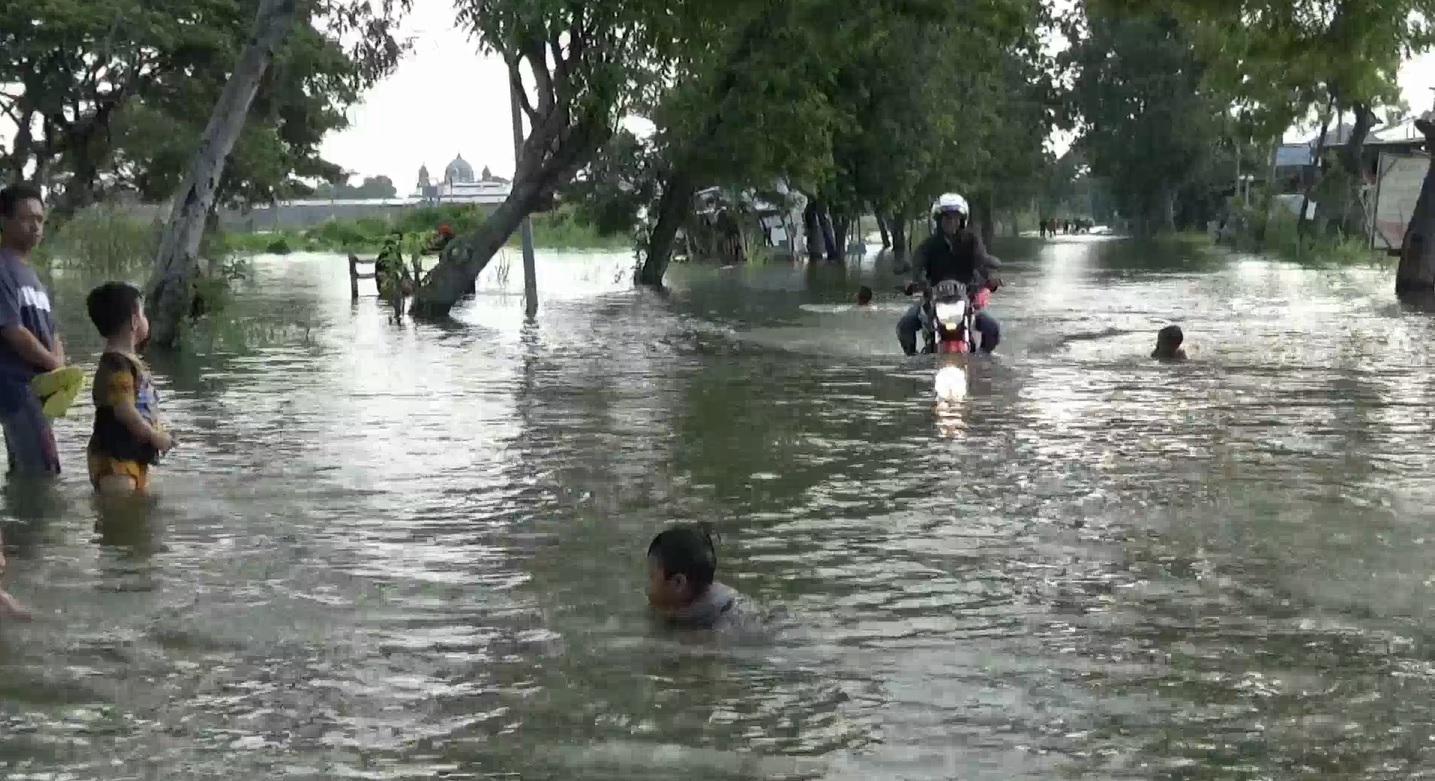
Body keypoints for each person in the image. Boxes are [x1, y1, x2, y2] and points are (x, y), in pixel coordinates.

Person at [85, 282, 174, 494]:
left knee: (135, 520)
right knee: (120, 521)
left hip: (130, 455)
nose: (145, 320)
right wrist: (154, 436)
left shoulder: (128, 362)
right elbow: (125, 411)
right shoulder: (117, 365)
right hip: (115, 460)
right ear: (134, 322)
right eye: (143, 314)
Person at [0, 183, 64, 478]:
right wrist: (54, 365)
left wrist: (62, 373)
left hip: (41, 388)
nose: (36, 227)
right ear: (4, 220)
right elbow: (13, 330)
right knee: (42, 471)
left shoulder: (31, 274)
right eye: (27, 219)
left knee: (29, 469)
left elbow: (52, 333)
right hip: (15, 386)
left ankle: (18, 523)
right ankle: (30, 524)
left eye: (40, 220)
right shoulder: (2, 268)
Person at [896, 193, 1002, 355]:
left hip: (966, 300)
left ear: (962, 220)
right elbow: (917, 267)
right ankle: (912, 362)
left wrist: (990, 279)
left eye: (955, 218)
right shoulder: (928, 246)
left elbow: (982, 263)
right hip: (932, 300)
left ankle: (982, 359)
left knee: (993, 329)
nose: (951, 222)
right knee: (905, 326)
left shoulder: (972, 241)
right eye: (946, 218)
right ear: (938, 221)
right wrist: (911, 282)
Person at [647, 524, 745, 632]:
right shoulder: (714, 603)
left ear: (678, 583)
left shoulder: (716, 627)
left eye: (652, 576)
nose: (648, 586)